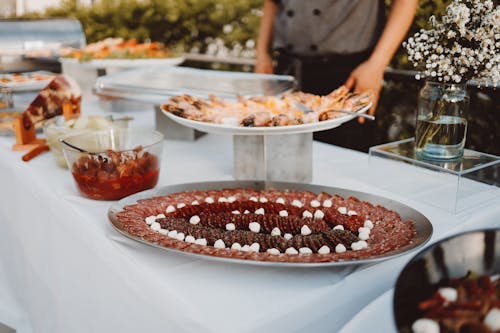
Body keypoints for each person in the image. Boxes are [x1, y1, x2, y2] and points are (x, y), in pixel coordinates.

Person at [255, 0, 418, 152]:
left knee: (345, 167)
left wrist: (377, 63)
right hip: (287, 70)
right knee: (280, 158)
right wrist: (262, 53)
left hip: (348, 76)